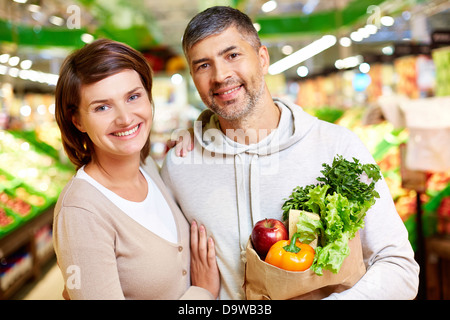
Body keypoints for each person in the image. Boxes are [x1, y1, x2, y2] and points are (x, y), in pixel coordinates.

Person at [161, 6, 419, 300]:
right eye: (203, 65)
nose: (220, 76)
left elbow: (399, 268)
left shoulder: (336, 147)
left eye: (232, 55)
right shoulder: (180, 165)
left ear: (262, 59)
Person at [53, 38, 219, 300]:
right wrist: (204, 293)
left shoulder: (148, 167)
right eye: (102, 107)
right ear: (78, 120)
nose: (125, 118)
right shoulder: (81, 212)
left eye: (133, 97)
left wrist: (196, 137)